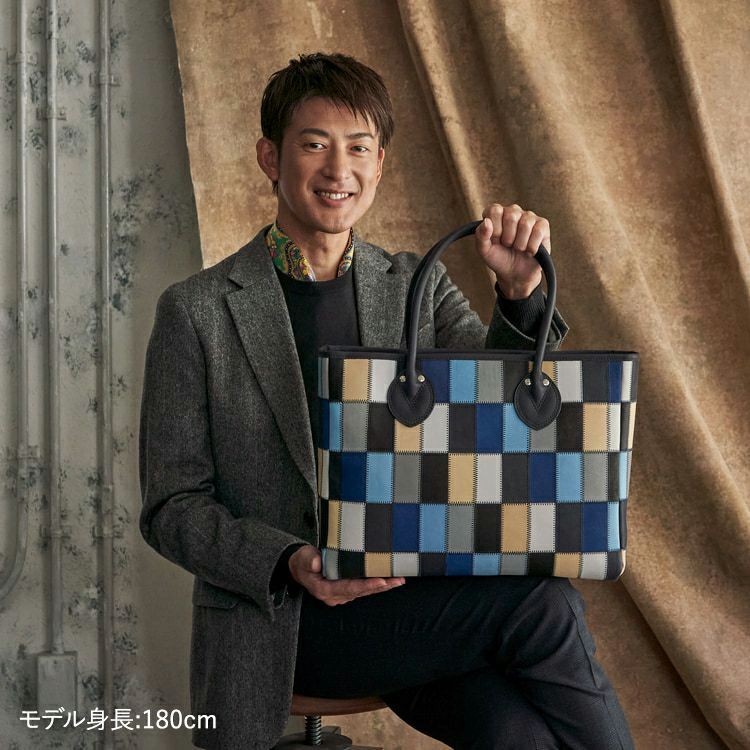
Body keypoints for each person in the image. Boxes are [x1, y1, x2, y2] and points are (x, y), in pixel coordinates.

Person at [139, 52, 634, 750]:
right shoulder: (197, 311)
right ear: (270, 157)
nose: (337, 168)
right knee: (541, 602)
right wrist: (289, 560)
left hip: (420, 603)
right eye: (315, 144)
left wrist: (521, 292)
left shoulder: (415, 287)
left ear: (379, 165)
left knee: (518, 736)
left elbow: (500, 425)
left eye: (359, 147)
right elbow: (171, 507)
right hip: (283, 622)